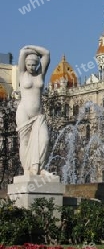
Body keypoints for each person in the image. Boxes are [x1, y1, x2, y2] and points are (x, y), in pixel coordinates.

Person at [16, 45, 50, 176]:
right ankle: (27, 169)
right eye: (29, 64)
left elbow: (46, 53)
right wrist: (27, 50)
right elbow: (22, 52)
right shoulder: (22, 74)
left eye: (34, 65)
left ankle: (40, 167)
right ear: (25, 64)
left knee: (44, 139)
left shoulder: (40, 74)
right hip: (24, 112)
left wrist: (32, 48)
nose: (31, 67)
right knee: (24, 141)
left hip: (38, 115)